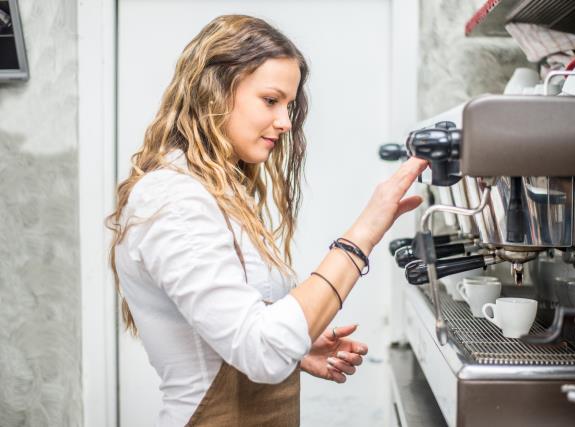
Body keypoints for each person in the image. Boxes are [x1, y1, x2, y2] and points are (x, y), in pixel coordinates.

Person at [107, 14, 427, 427]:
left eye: (289, 105)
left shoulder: (211, 192)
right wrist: (364, 232)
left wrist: (299, 344)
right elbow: (260, 351)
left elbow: (240, 329)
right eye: (271, 100)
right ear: (216, 91)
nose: (285, 121)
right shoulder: (174, 200)